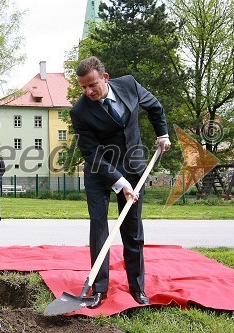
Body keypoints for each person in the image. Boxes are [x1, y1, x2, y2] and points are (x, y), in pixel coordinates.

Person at [69, 56, 171, 308]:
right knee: (99, 228)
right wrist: (119, 181)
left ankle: (137, 287)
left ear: (105, 78)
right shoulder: (80, 111)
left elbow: (155, 107)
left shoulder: (129, 85)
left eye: (92, 85)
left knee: (132, 230)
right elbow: (91, 153)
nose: (88, 91)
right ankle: (99, 289)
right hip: (100, 172)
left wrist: (163, 134)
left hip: (134, 166)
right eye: (83, 87)